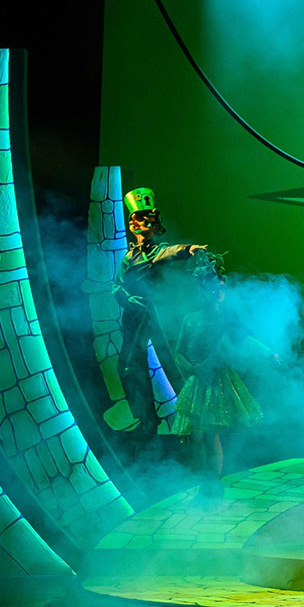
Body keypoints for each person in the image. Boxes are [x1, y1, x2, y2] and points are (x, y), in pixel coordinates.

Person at [169, 251, 265, 496]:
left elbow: (245, 340)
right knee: (195, 436)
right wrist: (194, 369)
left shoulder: (227, 319)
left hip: (218, 379)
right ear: (204, 290)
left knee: (211, 434)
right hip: (198, 380)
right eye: (214, 289)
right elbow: (179, 352)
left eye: (222, 289)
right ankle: (203, 482)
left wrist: (270, 353)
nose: (219, 294)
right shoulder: (190, 319)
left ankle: (213, 485)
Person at [112, 187, 206, 437]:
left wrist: (188, 249)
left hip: (150, 315)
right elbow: (116, 286)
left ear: (152, 226)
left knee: (168, 363)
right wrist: (128, 299)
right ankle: (147, 419)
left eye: (143, 220)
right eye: (134, 220)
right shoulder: (128, 256)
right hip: (133, 316)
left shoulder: (153, 252)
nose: (137, 224)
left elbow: (168, 252)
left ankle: (192, 416)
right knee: (130, 366)